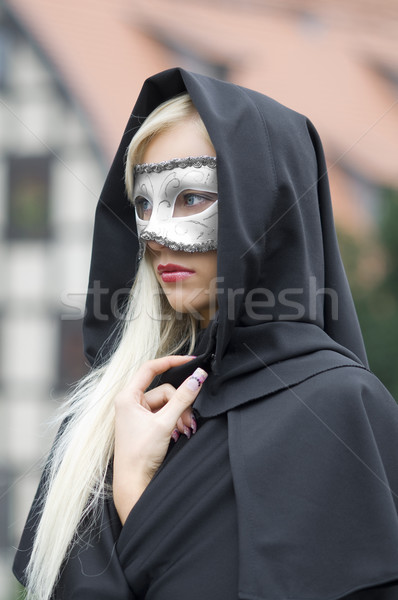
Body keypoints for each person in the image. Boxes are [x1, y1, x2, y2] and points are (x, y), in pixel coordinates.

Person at [13, 68, 398, 599]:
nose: (155, 235)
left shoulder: (343, 410)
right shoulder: (113, 416)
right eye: (142, 204)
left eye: (191, 197)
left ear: (266, 208)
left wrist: (135, 503)